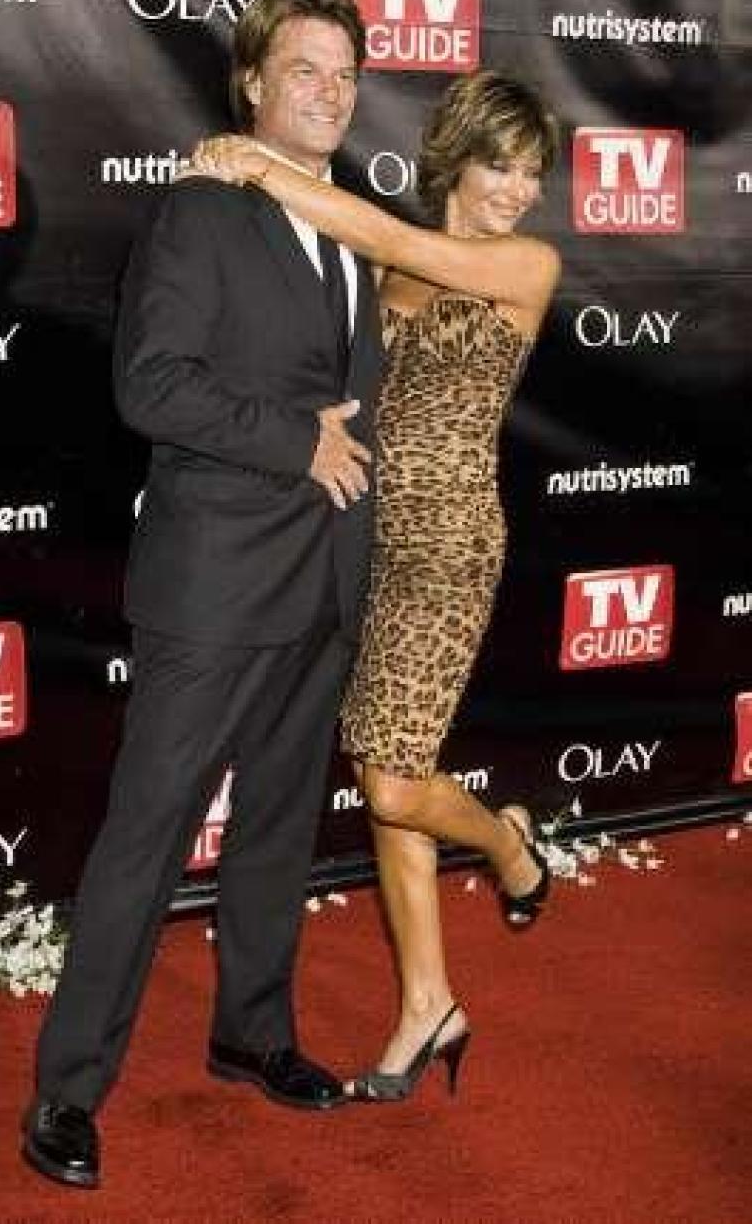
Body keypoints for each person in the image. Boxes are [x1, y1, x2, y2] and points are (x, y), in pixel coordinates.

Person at [21, 0, 384, 1189]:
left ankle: (252, 1032)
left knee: (278, 828)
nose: (328, 91)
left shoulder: (359, 219)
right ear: (253, 83)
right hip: (216, 586)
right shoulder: (200, 209)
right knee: (147, 836)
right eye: (304, 69)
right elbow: (152, 383)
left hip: (324, 581)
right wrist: (294, 442)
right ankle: (69, 1089)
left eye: (344, 73)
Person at [186, 68, 561, 1102]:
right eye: (500, 164)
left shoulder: (524, 264)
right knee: (397, 764)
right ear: (456, 159)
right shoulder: (380, 273)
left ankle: (511, 845)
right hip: (358, 546)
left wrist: (258, 164)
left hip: (446, 545)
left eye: (532, 171)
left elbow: (387, 234)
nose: (517, 189)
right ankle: (426, 1002)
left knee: (393, 784)